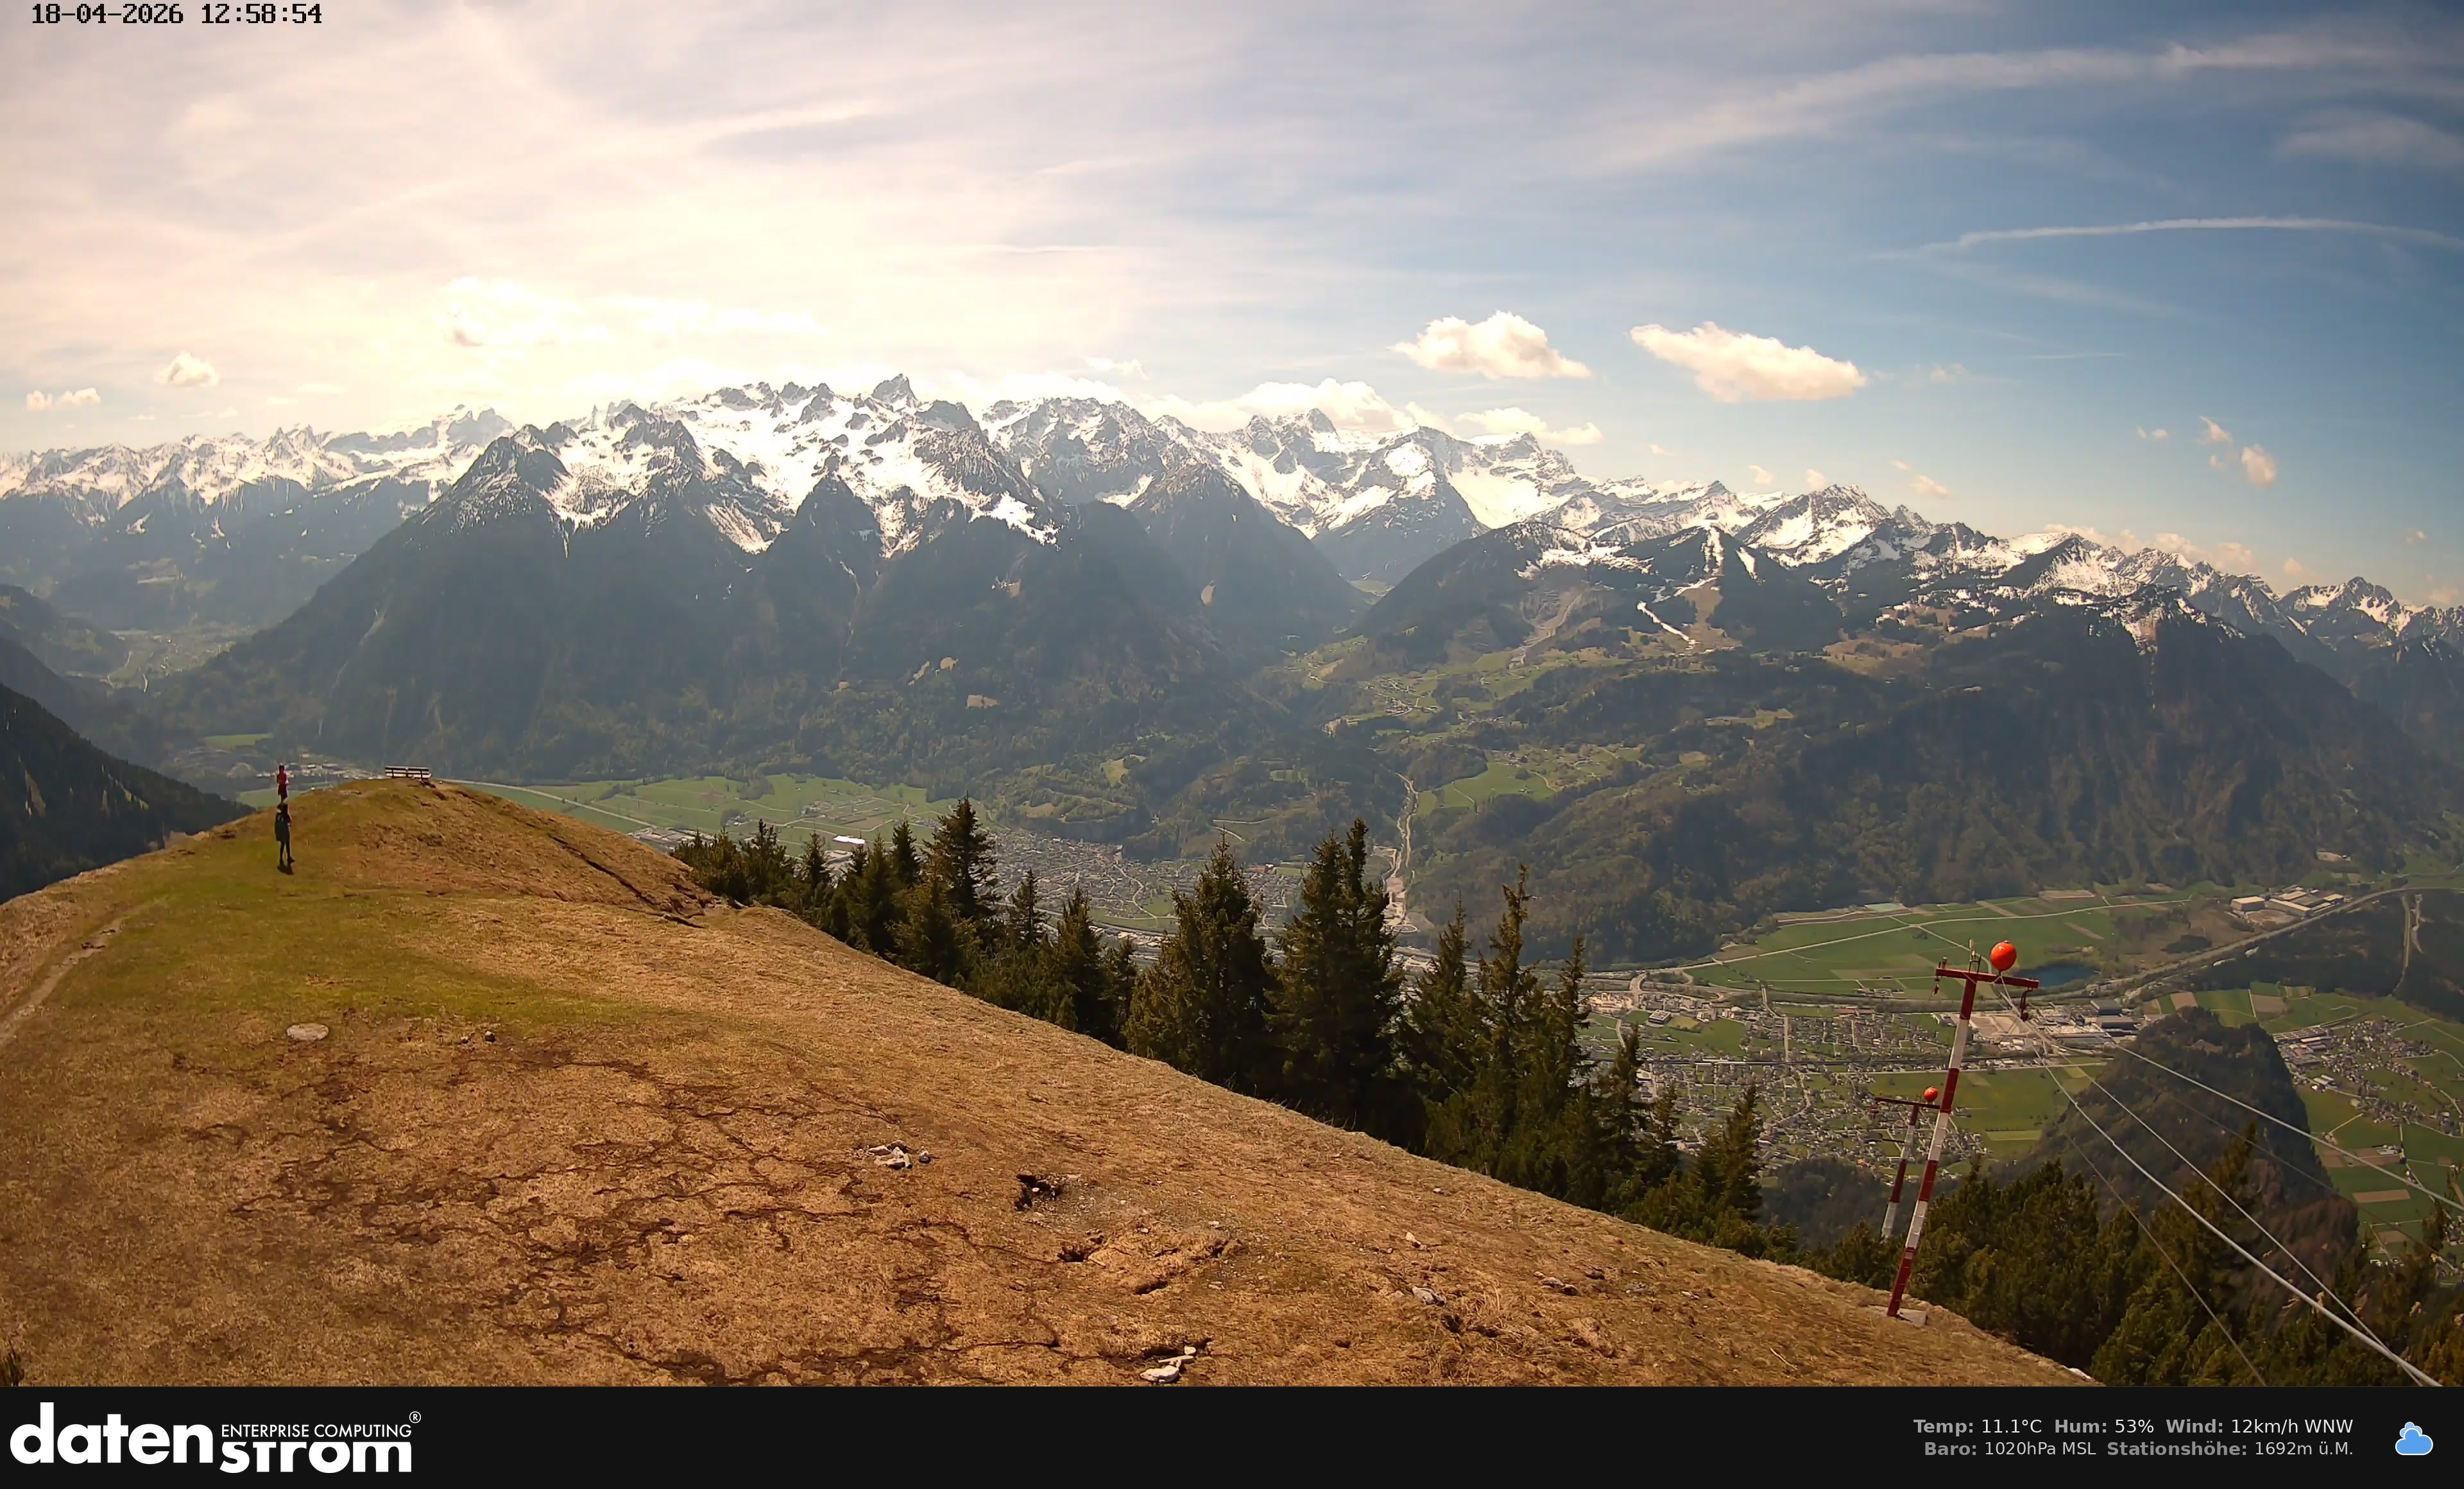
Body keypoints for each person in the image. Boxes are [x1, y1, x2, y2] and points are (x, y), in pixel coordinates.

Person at [275, 801, 293, 872]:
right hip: (286, 832)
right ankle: (289, 857)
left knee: (283, 845)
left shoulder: (279, 815)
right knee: (287, 845)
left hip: (282, 833)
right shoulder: (285, 816)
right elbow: (290, 821)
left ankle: (281, 858)